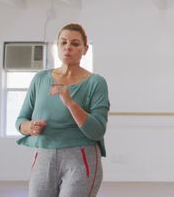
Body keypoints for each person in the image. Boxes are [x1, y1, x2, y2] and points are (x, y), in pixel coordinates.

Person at [16, 23, 109, 197]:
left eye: (75, 44)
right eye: (63, 42)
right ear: (56, 46)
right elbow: (20, 120)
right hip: (43, 156)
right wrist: (29, 127)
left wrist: (70, 102)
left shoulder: (96, 82)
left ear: (85, 49)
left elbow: (97, 131)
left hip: (80, 158)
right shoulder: (40, 78)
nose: (68, 48)